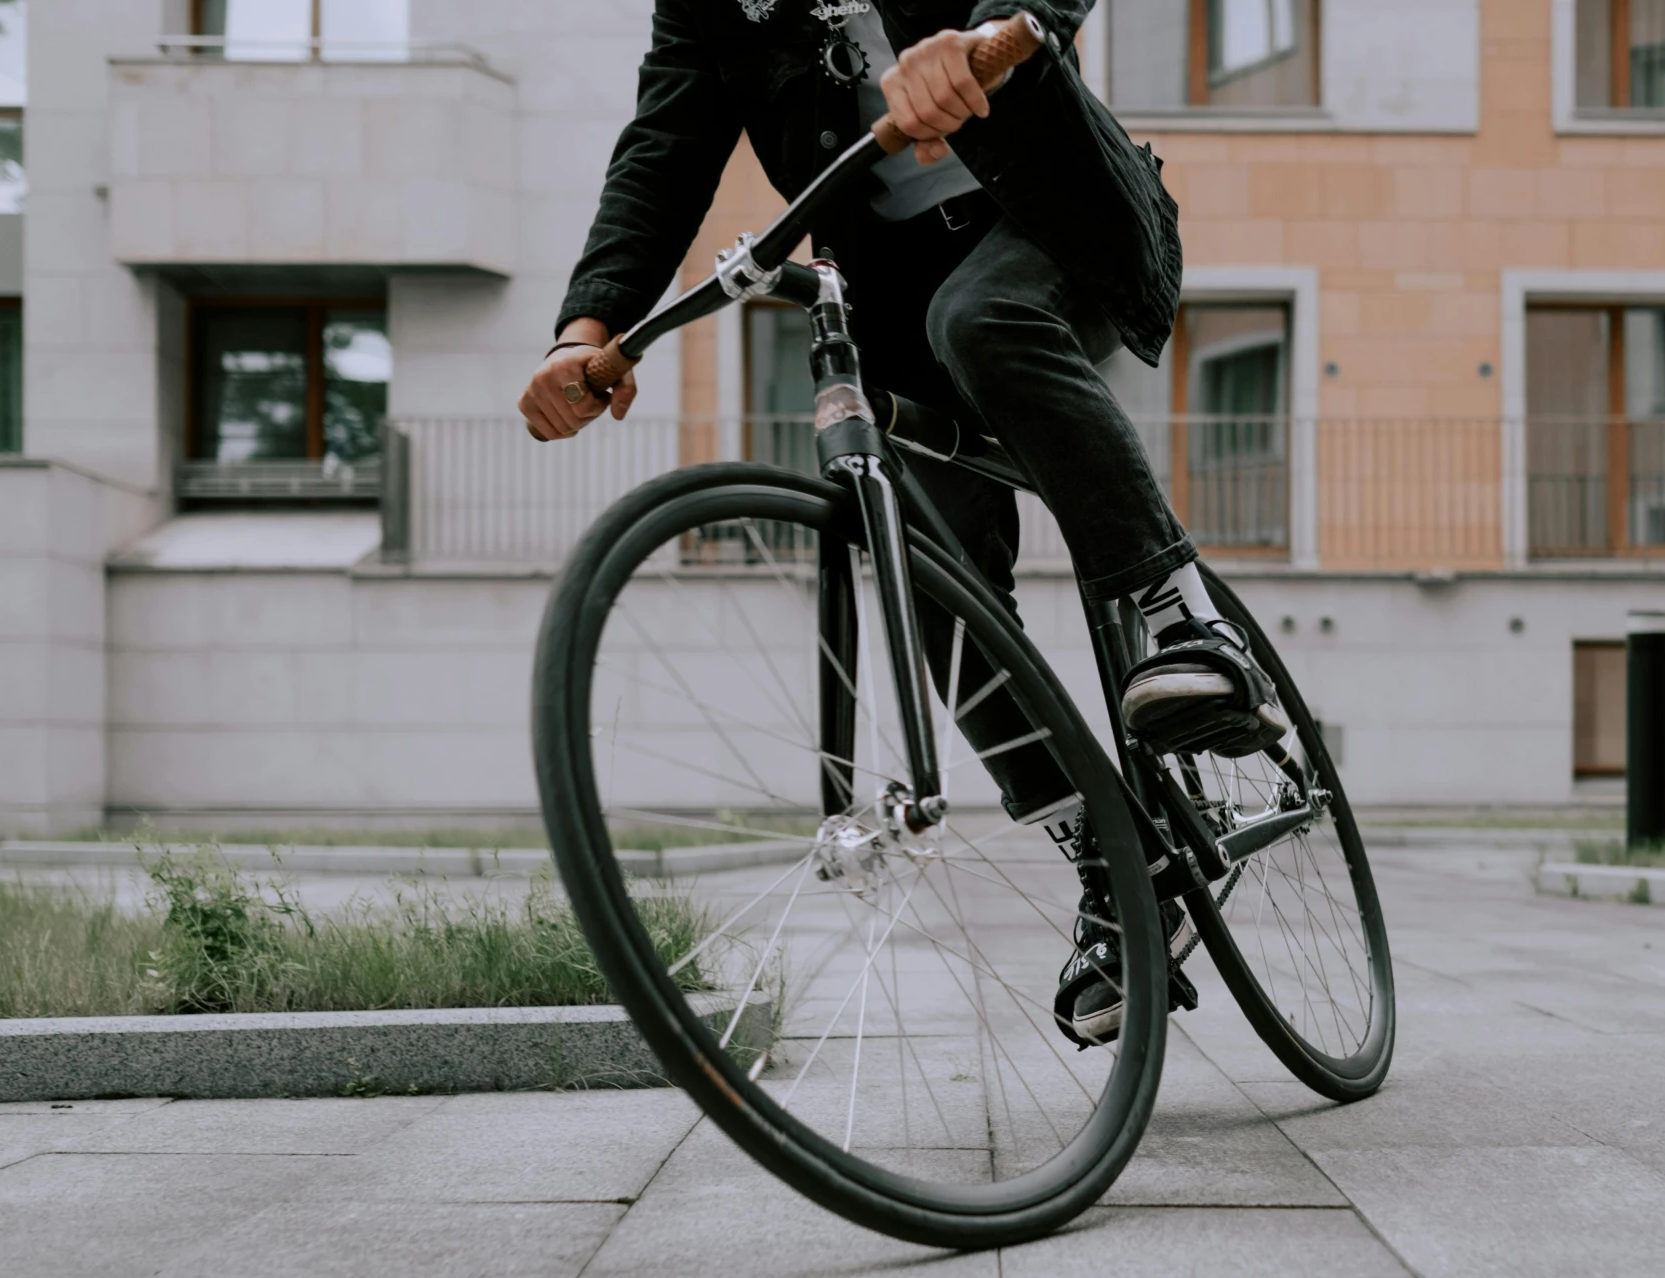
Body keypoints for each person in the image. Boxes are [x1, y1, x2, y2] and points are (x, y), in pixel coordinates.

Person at [517, 0, 1285, 1044]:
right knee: (929, 570)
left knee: (986, 319)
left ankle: (1188, 622)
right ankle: (1124, 867)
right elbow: (663, 149)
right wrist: (588, 327)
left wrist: (989, 36)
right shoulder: (701, 8)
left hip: (1064, 220)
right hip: (896, 300)